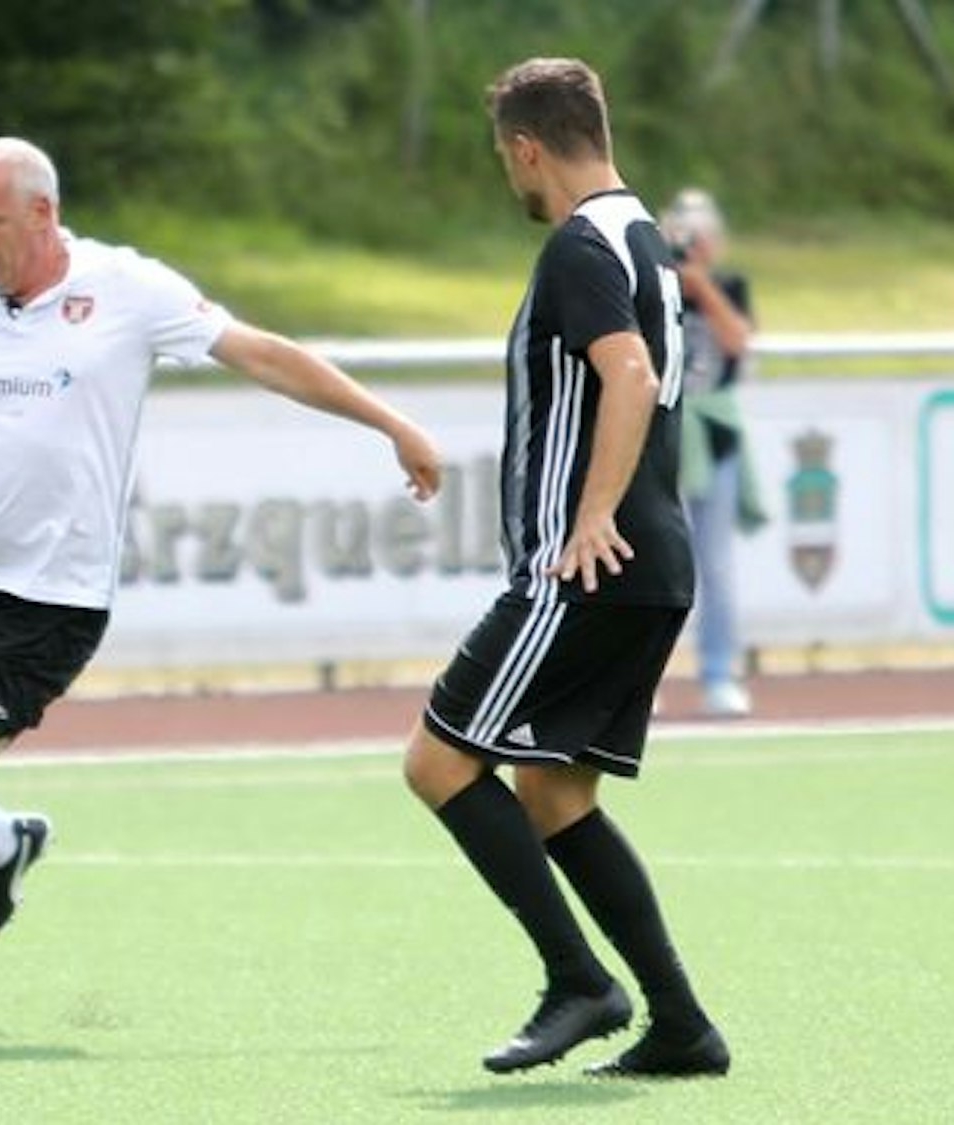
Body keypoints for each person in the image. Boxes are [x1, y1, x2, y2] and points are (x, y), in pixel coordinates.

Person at [0, 136, 442, 1034]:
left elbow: (263, 354)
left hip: (49, 606)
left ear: (42, 212)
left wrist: (390, 421)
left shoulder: (129, 289)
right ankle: (2, 838)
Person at [400, 58, 730, 1078]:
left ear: (526, 147)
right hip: (652, 566)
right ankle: (680, 1025)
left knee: (438, 762)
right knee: (551, 792)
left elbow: (625, 374)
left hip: (587, 568)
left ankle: (577, 981)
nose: (511, 176)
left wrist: (587, 518)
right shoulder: (646, 239)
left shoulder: (578, 244)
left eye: (507, 158)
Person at [663, 188, 763, 719]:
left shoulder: (729, 285)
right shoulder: (652, 286)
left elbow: (739, 342)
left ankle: (719, 671)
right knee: (655, 563)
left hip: (714, 437)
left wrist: (701, 287)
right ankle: (639, 681)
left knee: (716, 564)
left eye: (699, 237)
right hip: (661, 438)